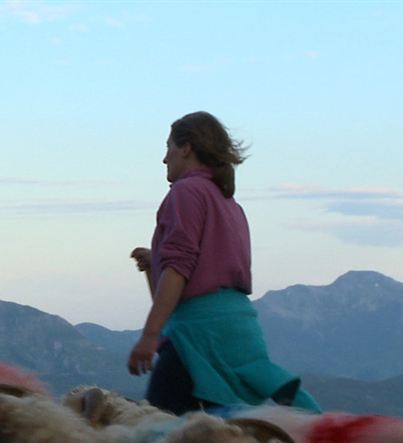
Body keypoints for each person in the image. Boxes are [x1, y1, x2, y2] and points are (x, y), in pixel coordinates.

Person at [127, 111, 320, 415]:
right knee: (226, 431)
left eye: (168, 147)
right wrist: (155, 264)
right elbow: (197, 274)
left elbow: (180, 269)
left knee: (160, 432)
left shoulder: (186, 191)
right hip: (239, 330)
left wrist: (150, 336)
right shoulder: (229, 203)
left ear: (186, 147)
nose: (165, 159)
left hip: (200, 337)